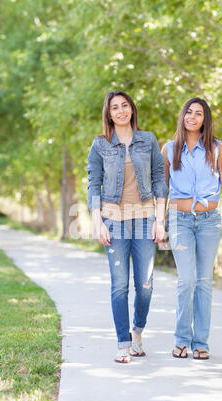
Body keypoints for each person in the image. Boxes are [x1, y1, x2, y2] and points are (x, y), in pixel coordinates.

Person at [87, 90, 168, 363]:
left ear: (132, 109)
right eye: (114, 108)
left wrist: (160, 219)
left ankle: (137, 332)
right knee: (119, 285)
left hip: (145, 219)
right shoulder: (100, 145)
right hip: (113, 221)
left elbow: (159, 180)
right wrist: (98, 223)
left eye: (124, 106)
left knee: (145, 284)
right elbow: (93, 185)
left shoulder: (148, 140)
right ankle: (123, 343)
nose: (120, 111)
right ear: (108, 114)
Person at [162, 97, 222, 360]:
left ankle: (201, 343)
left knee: (204, 282)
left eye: (198, 113)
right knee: (187, 280)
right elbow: (163, 190)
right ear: (183, 116)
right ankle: (181, 339)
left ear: (205, 119)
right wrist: (159, 224)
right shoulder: (169, 149)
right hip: (179, 220)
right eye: (188, 112)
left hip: (209, 221)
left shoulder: (217, 148)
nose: (192, 117)